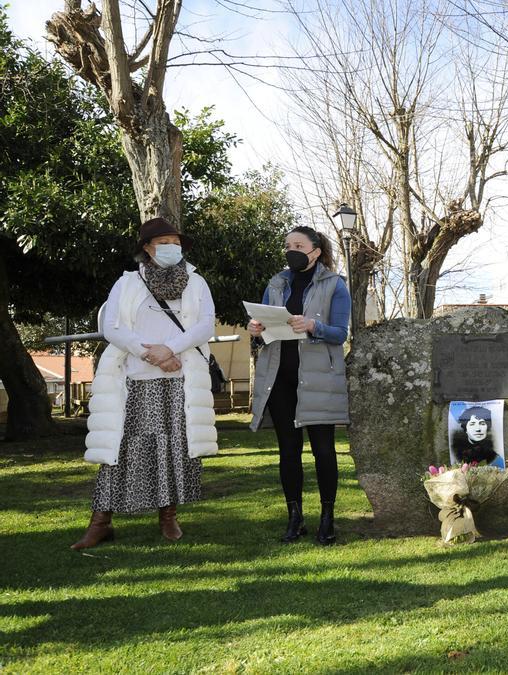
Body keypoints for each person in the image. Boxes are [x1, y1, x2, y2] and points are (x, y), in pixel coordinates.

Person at [73, 217, 218, 550]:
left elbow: (205, 325)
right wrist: (149, 353)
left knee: (173, 448)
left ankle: (168, 517)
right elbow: (112, 327)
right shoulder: (127, 284)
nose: (171, 248)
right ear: (146, 248)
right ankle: (101, 522)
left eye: (175, 242)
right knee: (119, 450)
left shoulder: (196, 282)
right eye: (163, 242)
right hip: (135, 380)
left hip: (180, 378)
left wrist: (171, 350)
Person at [249, 225, 350, 545]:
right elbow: (265, 327)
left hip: (318, 377)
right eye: (287, 244)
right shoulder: (276, 283)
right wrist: (257, 328)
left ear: (316, 251)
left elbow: (339, 333)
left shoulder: (336, 285)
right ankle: (295, 519)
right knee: (288, 451)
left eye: (298, 244)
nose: (291, 249)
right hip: (279, 377)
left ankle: (327, 518)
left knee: (323, 450)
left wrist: (312, 325)